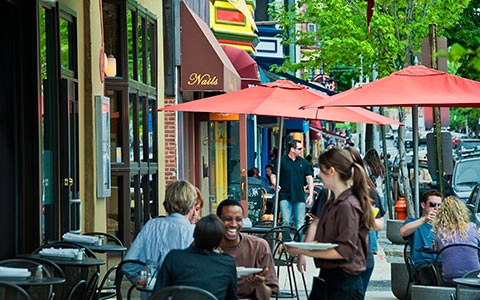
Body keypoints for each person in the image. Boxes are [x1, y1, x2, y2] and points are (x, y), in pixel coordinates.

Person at [287, 148, 375, 300]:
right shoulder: (332, 202)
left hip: (344, 283)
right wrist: (302, 248)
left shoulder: (347, 205)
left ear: (332, 171)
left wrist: (305, 252)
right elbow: (326, 239)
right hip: (330, 278)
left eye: (322, 170)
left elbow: (344, 251)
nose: (319, 175)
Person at [123, 180, 200, 298]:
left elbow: (128, 265)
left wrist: (148, 281)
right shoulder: (193, 232)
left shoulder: (151, 225)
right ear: (192, 204)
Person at [153, 214, 238, 300]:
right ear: (219, 239)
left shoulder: (173, 258)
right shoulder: (227, 263)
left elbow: (157, 295)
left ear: (195, 235)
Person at [216, 199, 279, 300]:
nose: (233, 224)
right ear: (218, 221)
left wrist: (260, 285)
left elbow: (266, 297)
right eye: (227, 219)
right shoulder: (208, 245)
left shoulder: (259, 246)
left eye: (238, 219)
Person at [344, 146, 385, 298]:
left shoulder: (370, 192)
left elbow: (380, 224)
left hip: (362, 258)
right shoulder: (331, 191)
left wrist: (367, 220)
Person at [432, 196, 480, 285]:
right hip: (473, 275)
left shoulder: (441, 231)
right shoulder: (472, 227)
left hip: (450, 276)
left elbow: (438, 250)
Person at [399, 190, 443, 267]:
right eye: (432, 204)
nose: (436, 208)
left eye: (439, 205)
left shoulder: (444, 224)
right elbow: (403, 232)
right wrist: (424, 220)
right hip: (423, 264)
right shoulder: (413, 221)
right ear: (423, 205)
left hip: (442, 262)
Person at [278, 139, 314, 234]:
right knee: (286, 221)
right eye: (299, 148)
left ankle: (299, 246)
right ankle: (286, 244)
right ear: (292, 149)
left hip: (299, 196)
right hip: (285, 195)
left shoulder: (304, 162)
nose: (302, 150)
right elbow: (273, 174)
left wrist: (310, 194)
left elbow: (309, 178)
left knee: (300, 223)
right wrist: (275, 183)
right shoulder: (281, 161)